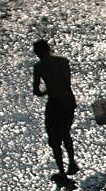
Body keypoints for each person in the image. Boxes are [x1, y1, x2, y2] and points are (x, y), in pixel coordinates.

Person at [32, 39, 79, 179]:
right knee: (66, 133)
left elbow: (37, 91)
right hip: (69, 100)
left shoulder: (39, 67)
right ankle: (72, 162)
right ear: (49, 48)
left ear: (37, 52)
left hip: (55, 103)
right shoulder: (63, 61)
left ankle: (62, 172)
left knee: (54, 138)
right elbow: (66, 82)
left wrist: (47, 90)